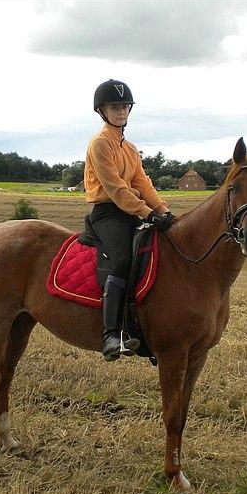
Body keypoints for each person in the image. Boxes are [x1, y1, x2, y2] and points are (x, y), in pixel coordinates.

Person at [83, 79, 175, 361]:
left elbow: (142, 183)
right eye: (114, 106)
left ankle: (146, 331)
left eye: (124, 106)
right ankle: (111, 334)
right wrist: (146, 213)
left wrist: (163, 210)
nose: (121, 111)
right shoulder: (100, 145)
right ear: (102, 110)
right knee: (122, 259)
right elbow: (116, 189)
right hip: (108, 213)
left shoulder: (130, 149)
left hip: (130, 212)